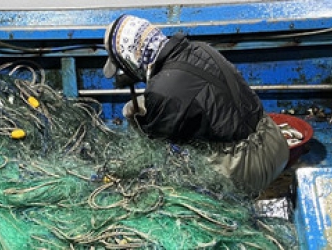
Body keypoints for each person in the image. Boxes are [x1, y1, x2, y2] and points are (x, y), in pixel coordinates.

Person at [102, 14, 289, 193]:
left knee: (164, 170)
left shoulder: (163, 90)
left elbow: (158, 147)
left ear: (130, 60)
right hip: (274, 142)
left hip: (248, 170)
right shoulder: (199, 48)